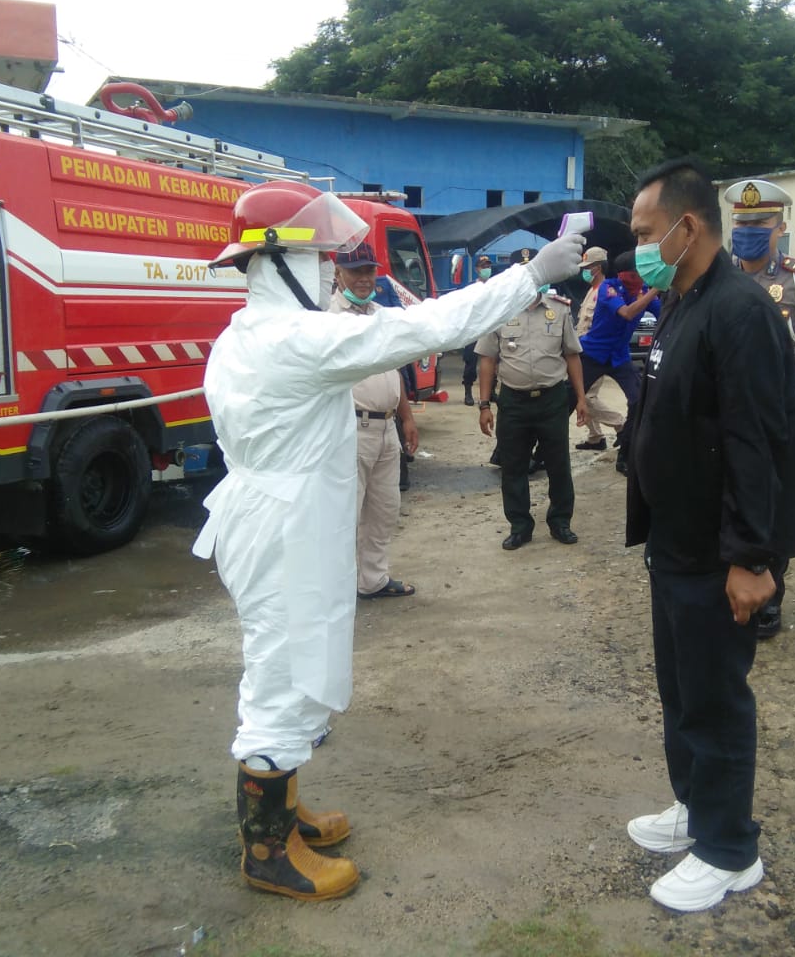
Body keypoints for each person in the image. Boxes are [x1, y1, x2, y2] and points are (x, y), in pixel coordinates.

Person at [192, 180, 584, 901]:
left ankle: (285, 809)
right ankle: (265, 851)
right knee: (280, 677)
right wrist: (529, 276)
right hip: (284, 529)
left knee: (296, 662)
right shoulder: (294, 338)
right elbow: (424, 329)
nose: (329, 271)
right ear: (276, 264)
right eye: (317, 261)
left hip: (281, 521)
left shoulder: (249, 331)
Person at [624, 158, 795, 913]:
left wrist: (753, 558)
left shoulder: (740, 310)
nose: (638, 244)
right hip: (677, 541)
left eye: (643, 232)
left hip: (718, 552)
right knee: (680, 691)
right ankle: (697, 806)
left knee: (716, 699)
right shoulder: (682, 300)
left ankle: (731, 850)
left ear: (686, 226)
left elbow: (759, 443)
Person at [721, 179, 795, 638]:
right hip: (729, 414)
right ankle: (731, 584)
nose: (749, 229)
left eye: (759, 222)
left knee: (776, 504)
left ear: (780, 227)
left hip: (782, 416)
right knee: (732, 499)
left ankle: (772, 596)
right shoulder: (719, 276)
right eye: (742, 221)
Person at [476, 250, 590, 549]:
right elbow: (487, 359)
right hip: (513, 402)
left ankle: (560, 521)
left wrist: (581, 398)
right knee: (513, 466)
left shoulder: (560, 309)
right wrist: (484, 404)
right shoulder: (499, 311)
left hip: (552, 400)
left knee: (558, 464)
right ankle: (520, 526)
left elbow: (572, 355)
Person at [329, 243, 422, 594]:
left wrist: (407, 417)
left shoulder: (380, 314)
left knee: (384, 511)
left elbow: (392, 369)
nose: (365, 278)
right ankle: (337, 587)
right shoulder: (328, 317)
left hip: (386, 427)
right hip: (351, 429)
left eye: (369, 270)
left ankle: (372, 580)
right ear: (338, 274)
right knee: (345, 515)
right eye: (356, 271)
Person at [579, 250, 660, 473]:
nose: (641, 278)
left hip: (619, 357)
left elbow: (662, 313)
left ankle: (625, 453)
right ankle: (542, 453)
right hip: (593, 354)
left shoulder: (643, 291)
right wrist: (656, 289)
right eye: (637, 274)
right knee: (568, 399)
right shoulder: (609, 288)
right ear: (627, 274)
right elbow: (626, 313)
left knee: (637, 401)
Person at [575, 246, 626, 451]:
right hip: (582, 351)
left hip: (596, 354)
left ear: (597, 268)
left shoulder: (606, 292)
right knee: (584, 393)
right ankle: (595, 437)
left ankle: (620, 423)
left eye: (587, 267)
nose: (584, 271)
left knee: (586, 397)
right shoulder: (592, 290)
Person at [461, 254, 494, 405]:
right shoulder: (470, 288)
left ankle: (491, 392)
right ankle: (468, 392)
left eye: (488, 266)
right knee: (471, 362)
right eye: (484, 267)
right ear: (477, 269)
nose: (487, 269)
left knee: (493, 361)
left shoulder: (495, 285)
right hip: (473, 329)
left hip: (491, 328)